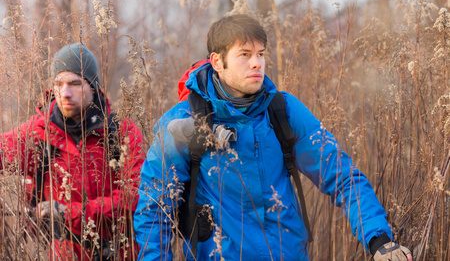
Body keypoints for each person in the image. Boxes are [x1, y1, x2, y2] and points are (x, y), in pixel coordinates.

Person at [133, 15, 413, 260]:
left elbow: (341, 176)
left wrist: (380, 240)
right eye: (244, 54)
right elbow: (154, 209)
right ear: (218, 61)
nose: (256, 63)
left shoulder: (283, 111)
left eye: (261, 54)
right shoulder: (179, 122)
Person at [0, 43, 145, 260]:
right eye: (59, 84)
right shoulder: (38, 134)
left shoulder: (122, 132)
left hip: (120, 252)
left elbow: (136, 196)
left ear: (93, 86)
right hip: (64, 254)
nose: (65, 93)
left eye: (75, 84)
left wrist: (68, 213)